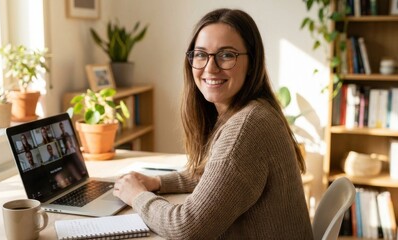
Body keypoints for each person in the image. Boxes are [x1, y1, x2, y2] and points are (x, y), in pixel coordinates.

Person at [112, 8, 313, 239]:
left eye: (226, 55)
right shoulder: (252, 111)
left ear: (252, 62)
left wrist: (137, 196)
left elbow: (187, 228)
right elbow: (216, 176)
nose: (210, 67)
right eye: (200, 54)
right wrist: (157, 182)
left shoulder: (246, 129)